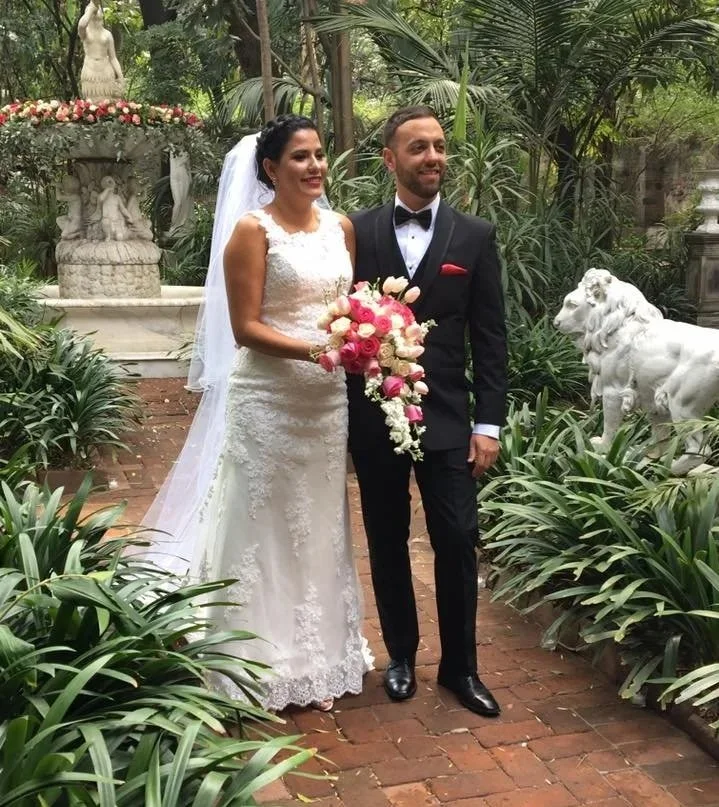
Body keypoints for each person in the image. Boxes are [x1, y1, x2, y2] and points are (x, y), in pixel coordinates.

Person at [143, 115, 371, 713]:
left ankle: (319, 654)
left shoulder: (341, 229)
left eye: (320, 154)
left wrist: (371, 339)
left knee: (319, 519)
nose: (315, 165)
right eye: (300, 157)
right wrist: (323, 351)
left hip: (325, 403)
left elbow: (349, 308)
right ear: (271, 169)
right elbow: (245, 329)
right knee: (260, 518)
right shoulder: (251, 231)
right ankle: (248, 655)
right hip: (268, 398)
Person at [348, 106, 507, 717]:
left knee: (458, 539)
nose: (433, 156)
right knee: (386, 539)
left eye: (439, 145)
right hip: (374, 417)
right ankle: (402, 658)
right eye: (418, 147)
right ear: (390, 159)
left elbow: (490, 339)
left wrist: (487, 424)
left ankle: (461, 670)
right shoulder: (356, 233)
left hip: (447, 420)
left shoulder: (475, 237)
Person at [78, 0, 126, 103]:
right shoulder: (85, 33)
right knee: (91, 104)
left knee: (108, 103)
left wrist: (121, 77)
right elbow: (82, 25)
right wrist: (92, 7)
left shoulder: (107, 34)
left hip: (106, 70)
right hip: (90, 70)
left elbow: (113, 58)